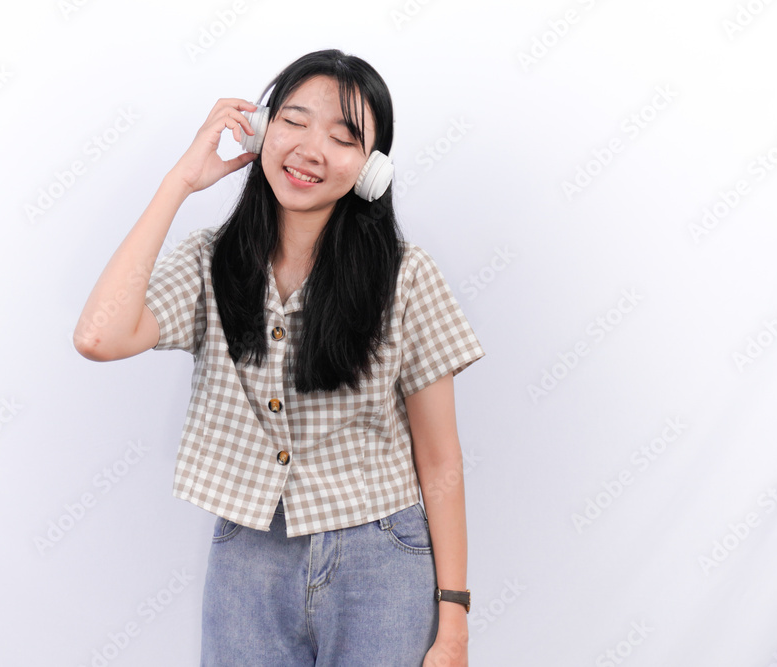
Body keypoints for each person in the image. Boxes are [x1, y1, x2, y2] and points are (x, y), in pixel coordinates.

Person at [73, 49, 484, 666]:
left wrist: (453, 621)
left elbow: (440, 456)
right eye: (294, 121)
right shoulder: (210, 262)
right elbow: (98, 338)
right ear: (263, 129)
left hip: (381, 555)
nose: (312, 148)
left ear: (371, 169)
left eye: (344, 137)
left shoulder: (407, 277)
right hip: (249, 556)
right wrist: (179, 181)